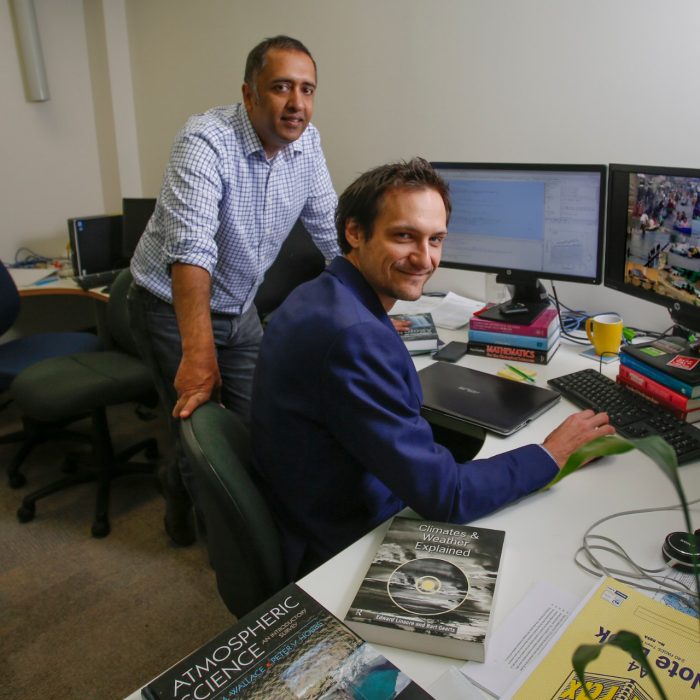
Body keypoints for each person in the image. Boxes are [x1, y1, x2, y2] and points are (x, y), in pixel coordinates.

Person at [251, 158, 614, 579]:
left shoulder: (318, 294)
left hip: (310, 503)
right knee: (550, 560)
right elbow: (448, 497)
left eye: (436, 239)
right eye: (404, 237)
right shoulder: (354, 336)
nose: (425, 259)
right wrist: (551, 455)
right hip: (341, 543)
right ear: (354, 232)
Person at [128, 35, 340, 544]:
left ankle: (230, 517)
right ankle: (188, 505)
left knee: (252, 428)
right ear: (249, 95)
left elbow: (333, 232)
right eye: (282, 87)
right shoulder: (205, 140)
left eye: (307, 90)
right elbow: (191, 252)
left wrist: (382, 308)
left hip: (239, 307)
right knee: (198, 429)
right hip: (168, 305)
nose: (297, 104)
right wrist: (200, 357)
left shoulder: (306, 143)